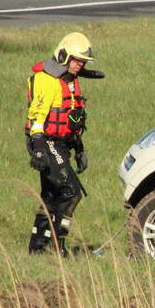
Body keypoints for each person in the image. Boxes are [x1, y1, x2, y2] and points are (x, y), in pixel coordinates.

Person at [25, 32, 102, 255]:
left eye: (83, 62)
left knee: (51, 195)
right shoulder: (46, 79)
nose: (79, 65)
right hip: (45, 140)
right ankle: (57, 245)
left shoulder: (69, 80)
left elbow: (73, 119)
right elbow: (37, 116)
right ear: (63, 56)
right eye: (76, 60)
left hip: (60, 144)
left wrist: (79, 149)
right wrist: (38, 149)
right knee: (71, 191)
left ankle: (38, 248)